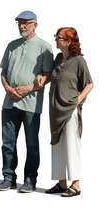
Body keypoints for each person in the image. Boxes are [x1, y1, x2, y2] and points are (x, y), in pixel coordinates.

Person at [0, 11, 54, 193]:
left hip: (31, 103)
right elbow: (3, 72)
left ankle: (30, 179)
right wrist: (7, 88)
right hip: (10, 102)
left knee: (31, 143)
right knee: (8, 142)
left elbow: (49, 75)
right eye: (19, 23)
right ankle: (8, 177)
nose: (22, 26)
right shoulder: (12, 45)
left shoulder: (44, 47)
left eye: (26, 23)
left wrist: (29, 88)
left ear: (35, 25)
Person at [45, 27, 93, 197]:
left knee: (72, 145)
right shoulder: (58, 58)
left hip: (69, 110)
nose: (55, 40)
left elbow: (89, 84)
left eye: (58, 37)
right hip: (55, 110)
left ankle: (76, 184)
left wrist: (77, 101)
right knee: (57, 145)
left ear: (69, 41)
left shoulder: (79, 61)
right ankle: (61, 183)